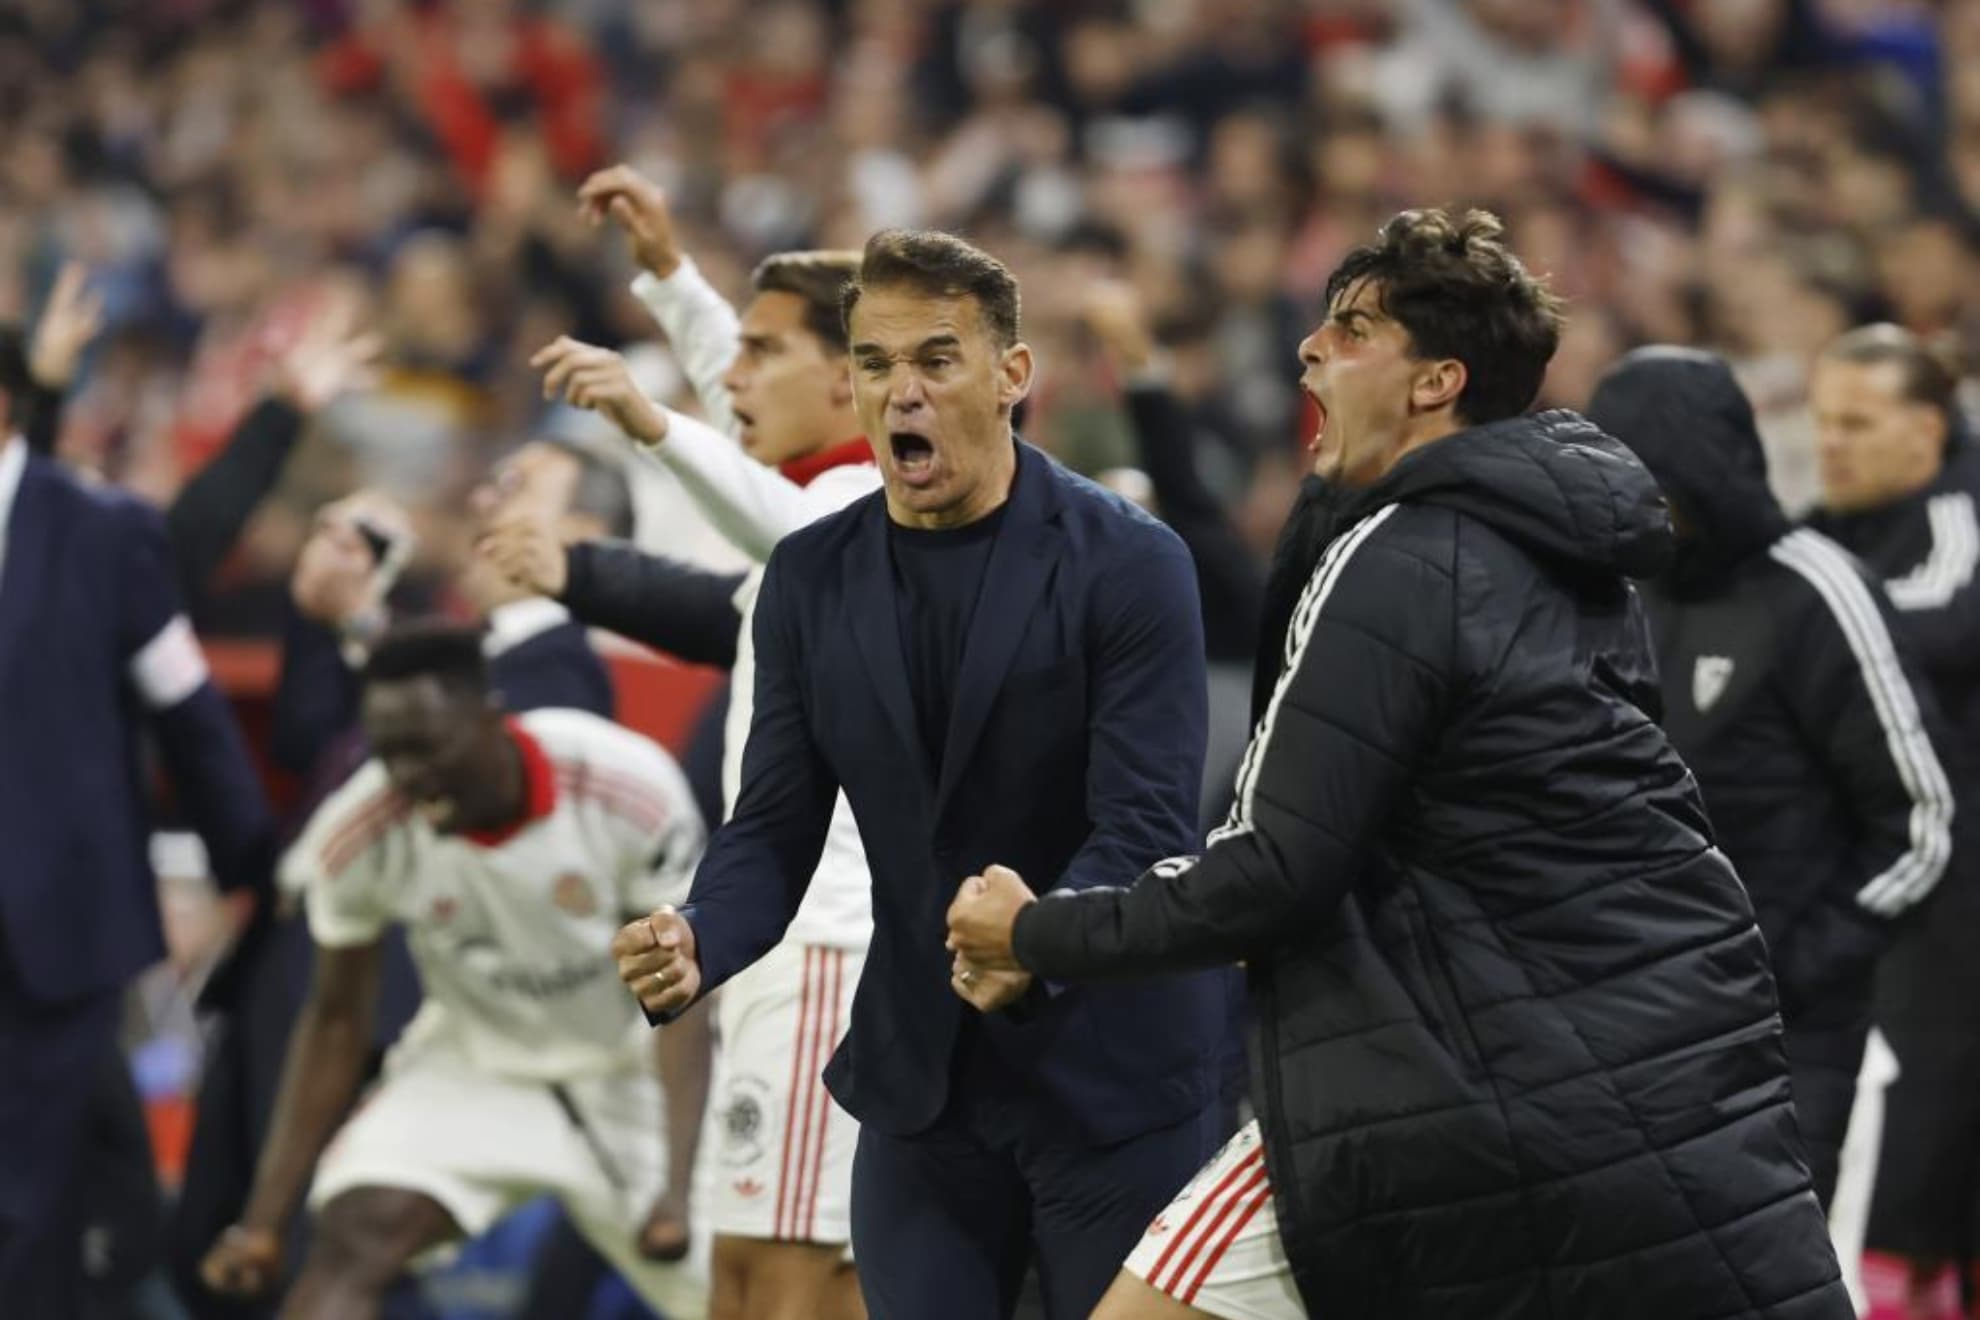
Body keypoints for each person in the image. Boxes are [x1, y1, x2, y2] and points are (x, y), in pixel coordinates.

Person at [945, 208, 1850, 1320]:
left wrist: (1036, 933)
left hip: (1441, 1084)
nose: (1309, 350)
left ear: (1437, 383)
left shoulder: (1399, 553)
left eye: (1354, 330)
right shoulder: (1578, 558)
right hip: (1638, 1076)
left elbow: (1275, 867)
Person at [606, 228, 1230, 1320]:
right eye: (878, 363)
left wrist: (1032, 942)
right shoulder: (808, 574)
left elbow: (1144, 827)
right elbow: (775, 826)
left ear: (1011, 376)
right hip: (919, 1085)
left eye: (937, 360)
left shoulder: (1132, 563)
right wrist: (702, 934)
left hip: (1111, 1080)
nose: (904, 392)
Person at [512, 172, 882, 1319]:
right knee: (763, 1274)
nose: (734, 378)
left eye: (762, 354)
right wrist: (673, 277)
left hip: (828, 942)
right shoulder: (822, 497)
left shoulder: (864, 508)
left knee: (785, 1276)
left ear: (849, 377)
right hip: (791, 941)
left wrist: (646, 419)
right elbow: (756, 445)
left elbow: (758, 503)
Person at [197, 623, 707, 1318]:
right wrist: (261, 1224)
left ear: (491, 720)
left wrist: (675, 1190)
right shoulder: (360, 834)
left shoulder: (626, 787)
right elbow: (336, 1020)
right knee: (355, 1234)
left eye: (427, 748)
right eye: (389, 754)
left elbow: (683, 995)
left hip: (635, 1069)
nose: (408, 776)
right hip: (474, 1063)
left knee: (756, 1289)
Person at [1586, 345, 1955, 1209]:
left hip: (1785, 1044)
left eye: (1647, 478)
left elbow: (1923, 821)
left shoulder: (1817, 591)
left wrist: (1786, 962)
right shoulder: (1610, 592)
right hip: (1623, 1027)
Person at [0, 339, 275, 1317]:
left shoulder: (98, 529)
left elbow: (187, 705)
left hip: (52, 935)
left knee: (34, 1204)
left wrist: (255, 864)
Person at [1805, 324, 1980, 1317]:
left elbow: (1943, 616)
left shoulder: (1960, 511)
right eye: (1825, 422)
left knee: (1925, 1139)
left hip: (1955, 899)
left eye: (1859, 424)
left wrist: (1802, 630)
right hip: (1869, 892)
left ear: (1925, 430)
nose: (1833, 443)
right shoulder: (1831, 525)